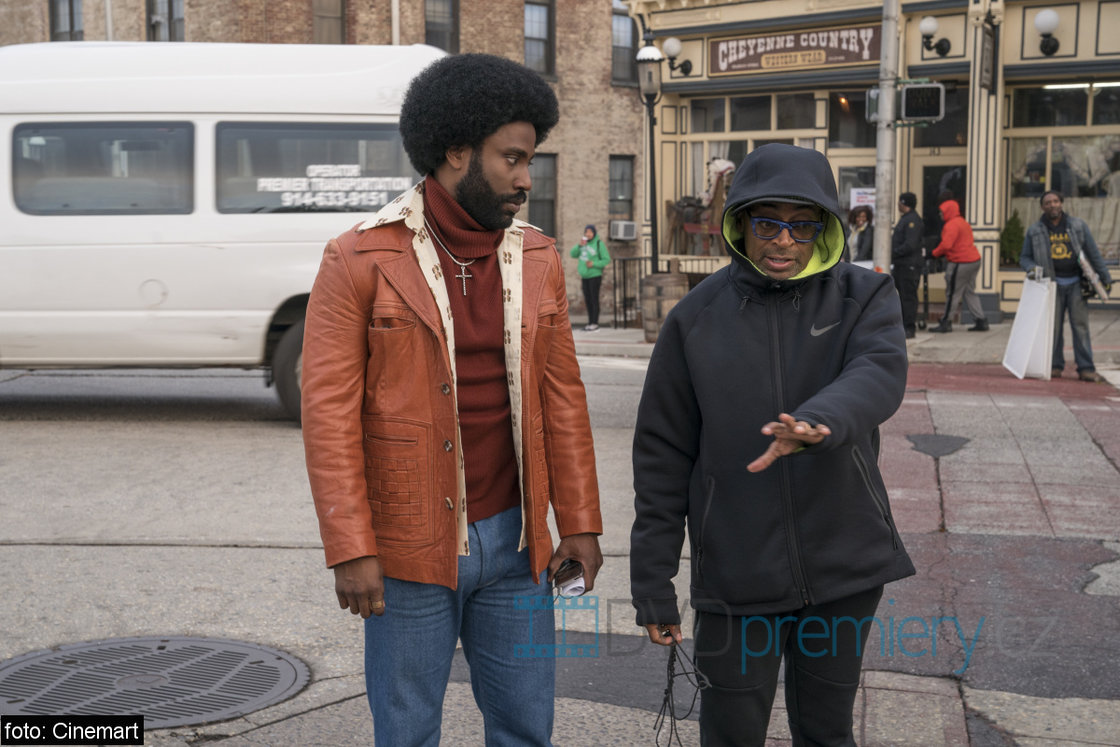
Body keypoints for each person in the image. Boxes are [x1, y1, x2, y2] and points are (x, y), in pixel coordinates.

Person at [301, 53, 604, 746]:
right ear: (457, 151)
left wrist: (580, 522)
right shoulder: (358, 258)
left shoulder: (538, 258)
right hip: (408, 548)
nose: (526, 179)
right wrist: (350, 545)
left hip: (519, 544)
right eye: (512, 159)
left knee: (526, 727)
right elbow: (328, 417)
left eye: (530, 160)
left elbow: (563, 401)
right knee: (407, 731)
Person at [630, 143, 915, 746]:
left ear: (825, 229)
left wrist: (818, 422)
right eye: (767, 224)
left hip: (843, 567)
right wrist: (653, 583)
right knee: (730, 735)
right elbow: (662, 456)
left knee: (827, 733)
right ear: (739, 224)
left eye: (802, 225)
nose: (783, 241)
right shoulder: (693, 320)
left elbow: (878, 373)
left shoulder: (865, 296)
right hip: (736, 575)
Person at [1020, 190, 1113, 382]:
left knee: (1080, 327)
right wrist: (1031, 269)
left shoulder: (1078, 225)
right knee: (1053, 329)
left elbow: (1093, 253)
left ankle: (1086, 368)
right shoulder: (1034, 230)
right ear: (1042, 207)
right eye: (1048, 202)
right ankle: (1054, 365)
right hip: (1051, 285)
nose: (1052, 205)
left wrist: (1105, 278)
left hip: (1076, 284)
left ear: (1061, 203)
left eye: (1055, 201)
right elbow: (1025, 257)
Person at [929, 198, 988, 332]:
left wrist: (933, 254)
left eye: (942, 211)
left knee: (952, 293)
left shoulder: (951, 225)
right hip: (974, 260)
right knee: (969, 291)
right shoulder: (963, 222)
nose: (940, 214)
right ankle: (981, 320)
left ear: (948, 211)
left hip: (961, 262)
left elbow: (946, 245)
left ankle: (946, 322)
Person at [892, 192, 924, 338]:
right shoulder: (905, 219)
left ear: (904, 203)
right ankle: (903, 326)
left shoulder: (912, 221)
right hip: (901, 265)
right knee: (901, 297)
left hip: (908, 266)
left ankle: (909, 328)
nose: (898, 204)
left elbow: (910, 245)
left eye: (900, 202)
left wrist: (893, 253)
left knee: (908, 297)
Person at [570, 224, 611, 331]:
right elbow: (572, 254)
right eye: (586, 232)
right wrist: (579, 245)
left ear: (594, 233)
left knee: (594, 299)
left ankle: (595, 323)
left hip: (595, 275)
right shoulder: (583, 244)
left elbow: (606, 260)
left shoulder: (599, 244)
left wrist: (594, 264)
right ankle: (590, 323)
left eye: (590, 232)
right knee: (587, 300)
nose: (588, 234)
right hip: (585, 276)